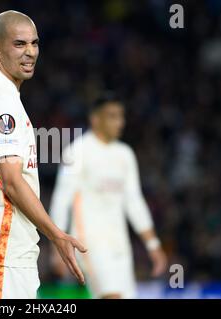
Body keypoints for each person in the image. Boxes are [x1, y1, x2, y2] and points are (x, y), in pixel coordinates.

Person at [0, 10, 87, 299]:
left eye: (34, 43)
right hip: (0, 245)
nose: (30, 53)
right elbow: (12, 181)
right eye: (19, 44)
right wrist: (57, 235)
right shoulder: (3, 101)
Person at [49, 92, 168, 299]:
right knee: (112, 296)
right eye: (112, 116)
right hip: (89, 243)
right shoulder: (77, 152)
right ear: (95, 119)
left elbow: (134, 202)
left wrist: (153, 245)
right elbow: (61, 201)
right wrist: (56, 247)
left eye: (121, 116)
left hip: (120, 245)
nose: (120, 122)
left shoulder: (125, 154)